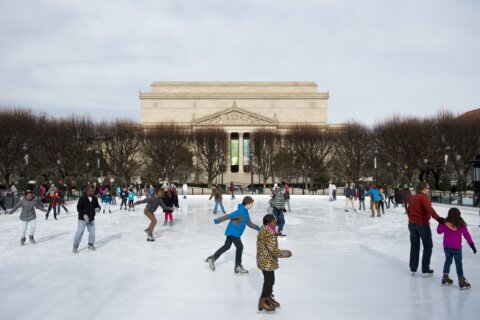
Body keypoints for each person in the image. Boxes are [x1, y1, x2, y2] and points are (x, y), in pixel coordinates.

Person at [205, 196, 260, 274]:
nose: (252, 205)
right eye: (251, 204)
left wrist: (258, 228)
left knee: (227, 246)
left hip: (232, 232)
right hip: (234, 232)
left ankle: (212, 258)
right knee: (240, 247)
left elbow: (249, 223)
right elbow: (229, 216)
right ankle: (238, 266)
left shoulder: (245, 212)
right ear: (247, 204)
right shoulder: (240, 211)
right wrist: (217, 220)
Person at [407, 181, 445, 277]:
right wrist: (438, 218)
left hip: (412, 225)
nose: (429, 189)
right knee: (428, 246)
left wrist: (411, 219)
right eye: (428, 188)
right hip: (422, 225)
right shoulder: (424, 198)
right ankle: (425, 270)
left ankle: (413, 267)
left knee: (414, 246)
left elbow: (408, 210)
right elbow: (429, 209)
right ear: (423, 188)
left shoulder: (412, 198)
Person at [256, 214, 292, 312]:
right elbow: (273, 250)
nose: (275, 223)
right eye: (274, 222)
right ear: (268, 223)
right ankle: (262, 301)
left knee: (271, 280)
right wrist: (286, 253)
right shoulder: (269, 233)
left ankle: (268, 298)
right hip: (266, 260)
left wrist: (276, 234)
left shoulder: (265, 229)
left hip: (264, 259)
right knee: (269, 281)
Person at [437, 207, 476, 289]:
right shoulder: (461, 224)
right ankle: (461, 280)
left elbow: (439, 231)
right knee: (458, 263)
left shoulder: (445, 223)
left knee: (448, 261)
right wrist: (471, 244)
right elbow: (466, 235)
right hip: (457, 248)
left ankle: (445, 277)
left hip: (447, 246)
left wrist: (440, 223)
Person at [73, 186, 101, 253]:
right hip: (82, 220)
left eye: (92, 191)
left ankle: (90, 244)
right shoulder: (82, 198)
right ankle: (75, 245)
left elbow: (97, 206)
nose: (92, 192)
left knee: (92, 233)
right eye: (90, 190)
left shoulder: (94, 198)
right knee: (80, 232)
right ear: (87, 191)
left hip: (91, 219)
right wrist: (83, 215)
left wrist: (98, 208)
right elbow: (79, 208)